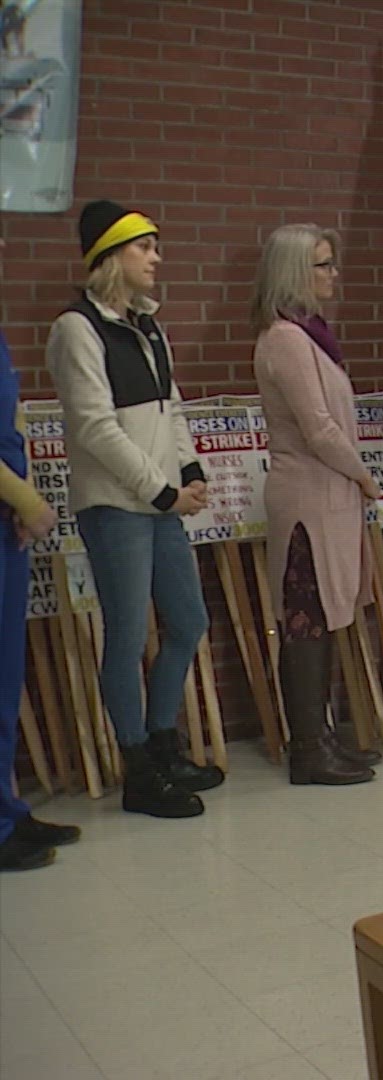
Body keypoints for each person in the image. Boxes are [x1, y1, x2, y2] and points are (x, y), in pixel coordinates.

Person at [47, 201, 221, 818]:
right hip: (116, 506)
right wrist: (161, 490)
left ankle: (164, 740)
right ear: (110, 257)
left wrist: (190, 472)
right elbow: (95, 427)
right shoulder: (77, 328)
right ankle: (140, 770)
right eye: (144, 247)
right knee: (125, 636)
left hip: (158, 504)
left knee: (188, 621)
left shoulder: (148, 324)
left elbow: (170, 409)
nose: (156, 258)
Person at [250, 223, 379, 786]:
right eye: (323, 265)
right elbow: (319, 428)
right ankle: (307, 746)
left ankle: (323, 735)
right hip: (306, 497)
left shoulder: (313, 334)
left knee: (325, 618)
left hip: (330, 495)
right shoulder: (284, 338)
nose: (333, 274)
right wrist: (364, 474)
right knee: (305, 617)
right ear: (295, 272)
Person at [1, 237, 81, 868]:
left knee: (6, 676)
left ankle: (8, 812)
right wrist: (25, 499)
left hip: (9, 521)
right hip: (10, 508)